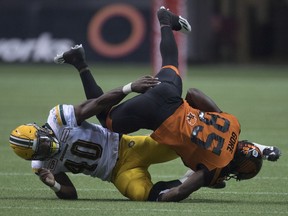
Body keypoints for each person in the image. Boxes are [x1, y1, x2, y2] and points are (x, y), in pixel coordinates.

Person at [52, 6, 279, 202]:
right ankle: (80, 62)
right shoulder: (214, 167)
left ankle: (165, 21)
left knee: (170, 64)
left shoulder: (233, 124)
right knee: (107, 119)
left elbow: (193, 92)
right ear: (235, 168)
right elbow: (181, 191)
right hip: (155, 113)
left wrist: (210, 116)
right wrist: (162, 197)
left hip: (170, 95)